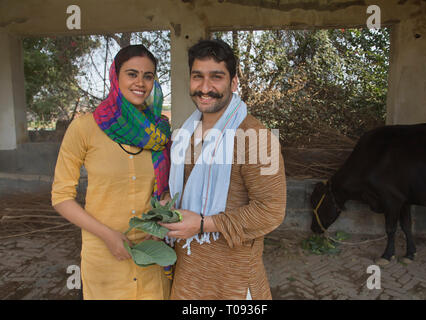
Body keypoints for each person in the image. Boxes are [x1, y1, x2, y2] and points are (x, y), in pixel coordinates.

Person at [160, 39, 286, 299]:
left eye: (216, 77)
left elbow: (272, 211)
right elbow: (184, 190)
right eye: (198, 77)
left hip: (234, 283)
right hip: (187, 277)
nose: (205, 88)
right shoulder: (184, 133)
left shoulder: (259, 138)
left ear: (233, 82)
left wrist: (205, 224)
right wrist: (169, 204)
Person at [51, 44, 172, 300]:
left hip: (151, 252)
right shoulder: (85, 128)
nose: (140, 82)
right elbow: (61, 197)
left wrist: (162, 214)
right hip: (104, 256)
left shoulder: (159, 131)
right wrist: (108, 236)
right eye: (132, 74)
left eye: (148, 76)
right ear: (115, 77)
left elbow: (168, 189)